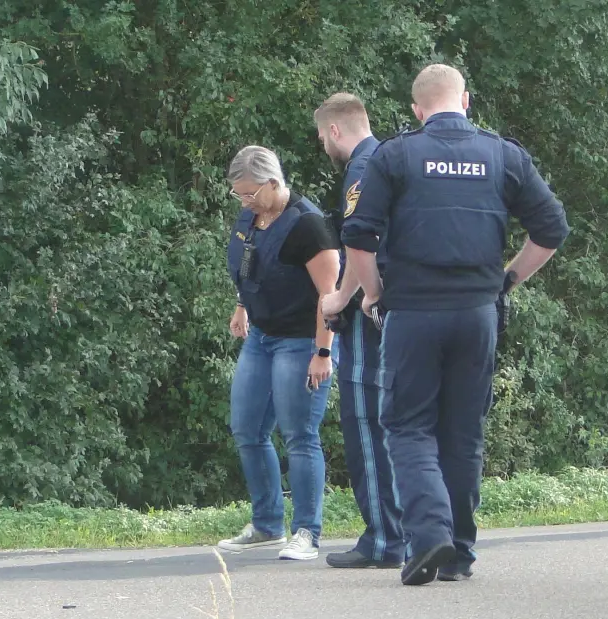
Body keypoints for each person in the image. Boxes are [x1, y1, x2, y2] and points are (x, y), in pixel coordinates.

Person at [323, 64, 570, 585]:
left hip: (413, 312)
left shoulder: (395, 155)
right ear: (466, 102)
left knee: (408, 426)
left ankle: (429, 533)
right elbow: (551, 228)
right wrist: (506, 280)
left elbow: (359, 235)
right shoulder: (504, 155)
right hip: (477, 315)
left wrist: (373, 293)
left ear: (417, 109)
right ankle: (457, 552)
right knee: (461, 431)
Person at [217, 145, 343, 561]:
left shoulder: (308, 226)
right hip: (261, 336)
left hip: (301, 340)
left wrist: (322, 352)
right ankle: (267, 524)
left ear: (274, 183)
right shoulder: (251, 215)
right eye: (239, 195)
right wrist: (241, 306)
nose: (245, 202)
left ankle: (306, 531)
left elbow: (329, 295)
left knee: (298, 434)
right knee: (247, 428)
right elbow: (248, 265)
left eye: (251, 193)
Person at [314, 92, 402, 570]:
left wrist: (340, 300)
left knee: (365, 421)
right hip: (404, 307)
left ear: (334, 130)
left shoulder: (362, 168)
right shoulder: (393, 159)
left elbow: (358, 244)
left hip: (371, 312)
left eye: (320, 135)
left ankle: (384, 538)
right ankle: (401, 531)